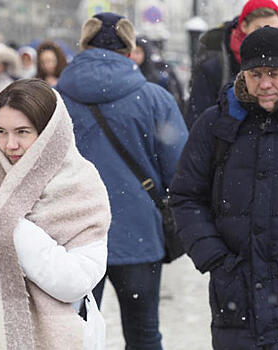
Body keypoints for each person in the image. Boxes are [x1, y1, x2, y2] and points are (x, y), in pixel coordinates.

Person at [169, 27, 278, 350]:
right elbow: (185, 197)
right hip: (236, 294)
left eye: (274, 73)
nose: (264, 84)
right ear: (242, 73)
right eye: (255, 74)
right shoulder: (215, 125)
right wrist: (216, 259)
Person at [0, 79, 111, 349]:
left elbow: (75, 281)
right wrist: (1, 227)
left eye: (22, 132)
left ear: (51, 134)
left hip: (65, 338)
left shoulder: (82, 189)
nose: (10, 144)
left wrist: (11, 227)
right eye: (1, 132)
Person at [56, 12, 188, 349]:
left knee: (74, 335)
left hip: (71, 237)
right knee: (143, 334)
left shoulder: (54, 101)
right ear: (131, 51)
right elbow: (181, 173)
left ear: (82, 47)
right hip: (139, 234)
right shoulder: (155, 98)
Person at [185, 0, 278, 130]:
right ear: (244, 26)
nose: (266, 36)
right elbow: (197, 118)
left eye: (273, 30)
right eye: (259, 29)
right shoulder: (214, 64)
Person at [130, 35, 185, 113]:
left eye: (137, 52)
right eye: (131, 52)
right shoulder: (127, 73)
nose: (133, 56)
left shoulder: (160, 74)